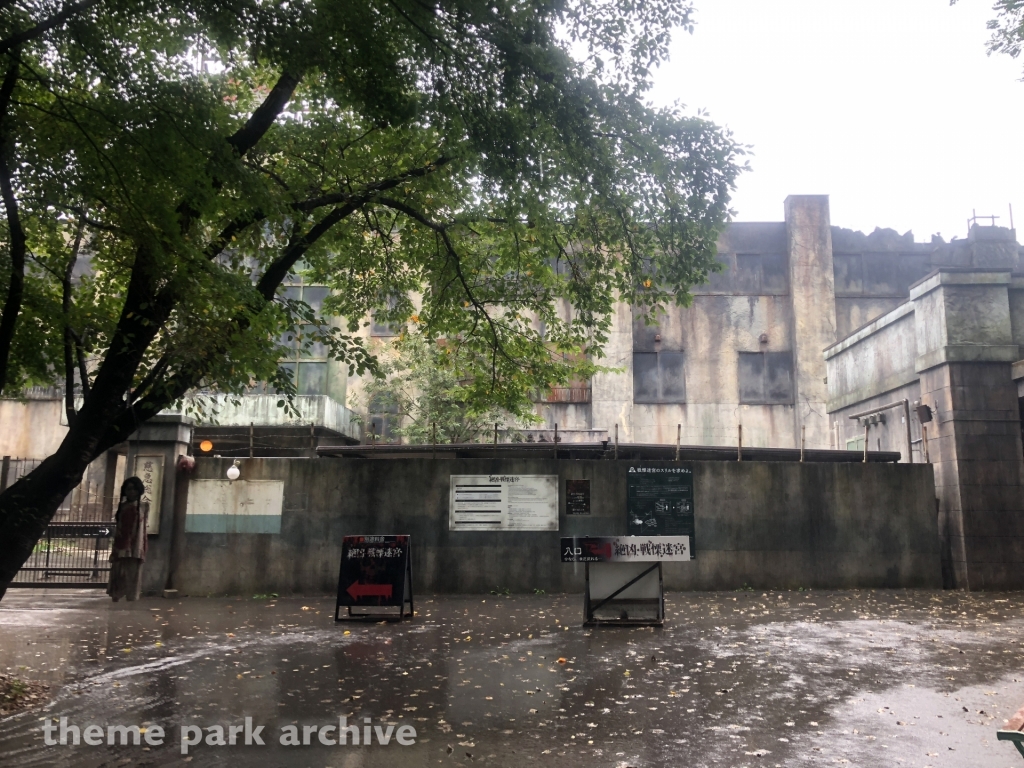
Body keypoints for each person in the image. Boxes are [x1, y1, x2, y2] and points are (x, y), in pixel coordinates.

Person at [108, 476, 149, 602]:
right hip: (121, 544)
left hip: (136, 545)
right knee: (118, 571)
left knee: (134, 573)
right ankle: (116, 594)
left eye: (134, 489)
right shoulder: (122, 507)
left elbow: (143, 527)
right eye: (129, 489)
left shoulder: (144, 506)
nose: (132, 492)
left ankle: (132, 596)